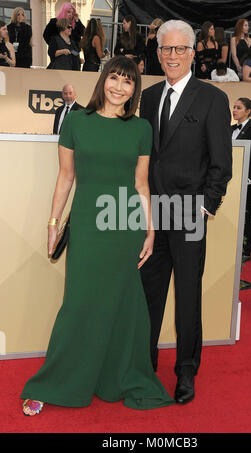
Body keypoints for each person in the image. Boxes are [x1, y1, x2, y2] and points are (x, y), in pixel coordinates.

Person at [21, 55, 174, 416]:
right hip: (89, 224)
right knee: (79, 303)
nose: (120, 87)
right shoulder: (76, 121)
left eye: (128, 82)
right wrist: (53, 224)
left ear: (134, 90)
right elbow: (65, 178)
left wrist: (151, 229)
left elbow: (141, 184)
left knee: (121, 304)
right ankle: (58, 381)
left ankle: (114, 377)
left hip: (125, 224)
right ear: (103, 80)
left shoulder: (140, 129)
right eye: (115, 79)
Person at [139, 19, 232, 405]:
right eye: (166, 49)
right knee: (148, 294)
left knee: (188, 297)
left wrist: (206, 207)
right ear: (158, 53)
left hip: (190, 214)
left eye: (180, 49)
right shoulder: (146, 96)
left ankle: (186, 371)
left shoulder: (211, 98)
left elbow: (221, 164)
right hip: (151, 216)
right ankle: (143, 364)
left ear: (193, 52)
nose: (172, 56)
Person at [232, 98, 251, 262]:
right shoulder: (229, 129)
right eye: (234, 107)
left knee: (247, 215)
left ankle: (246, 249)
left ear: (248, 111)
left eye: (238, 108)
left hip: (247, 182)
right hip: (231, 180)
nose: (234, 110)